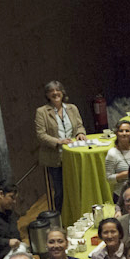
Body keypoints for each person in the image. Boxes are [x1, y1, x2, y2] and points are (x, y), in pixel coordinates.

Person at [35, 80, 87, 212]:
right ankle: (61, 217)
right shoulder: (42, 112)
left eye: (57, 90)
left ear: (62, 93)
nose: (55, 93)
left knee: (76, 187)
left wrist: (80, 133)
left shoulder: (72, 108)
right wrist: (59, 142)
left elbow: (79, 125)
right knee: (60, 191)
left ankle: (77, 214)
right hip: (55, 158)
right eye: (51, 91)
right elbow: (41, 135)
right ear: (47, 95)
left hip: (73, 155)